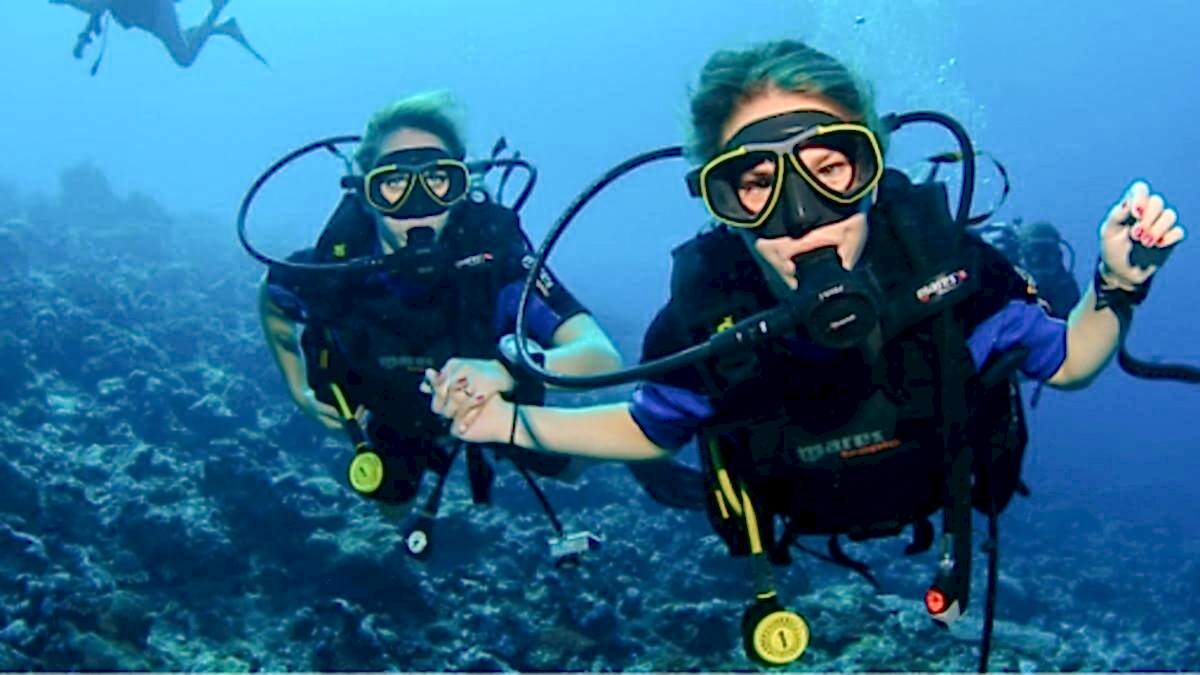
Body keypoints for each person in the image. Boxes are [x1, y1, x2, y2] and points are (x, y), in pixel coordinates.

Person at [427, 40, 1186, 667]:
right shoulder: (706, 314)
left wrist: (1116, 284)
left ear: (874, 170)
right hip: (795, 518)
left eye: (829, 169)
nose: (799, 219)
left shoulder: (953, 272)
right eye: (755, 184)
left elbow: (1069, 361)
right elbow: (651, 424)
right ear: (718, 203)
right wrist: (505, 425)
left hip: (941, 494)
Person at [256, 92, 626, 562]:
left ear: (462, 186)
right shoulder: (334, 271)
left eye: (437, 180)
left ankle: (648, 447)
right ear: (364, 195)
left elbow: (599, 352)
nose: (418, 205)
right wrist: (300, 392)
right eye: (393, 184)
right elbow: (271, 297)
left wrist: (508, 371)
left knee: (570, 466)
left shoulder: (497, 268)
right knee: (389, 505)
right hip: (389, 411)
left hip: (494, 407)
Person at [52, 0, 267, 71]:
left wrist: (83, 39)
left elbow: (99, 6)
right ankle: (221, 28)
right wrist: (83, 39)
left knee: (184, 57)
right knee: (182, 41)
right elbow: (98, 11)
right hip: (148, 19)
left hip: (156, 12)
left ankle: (217, 10)